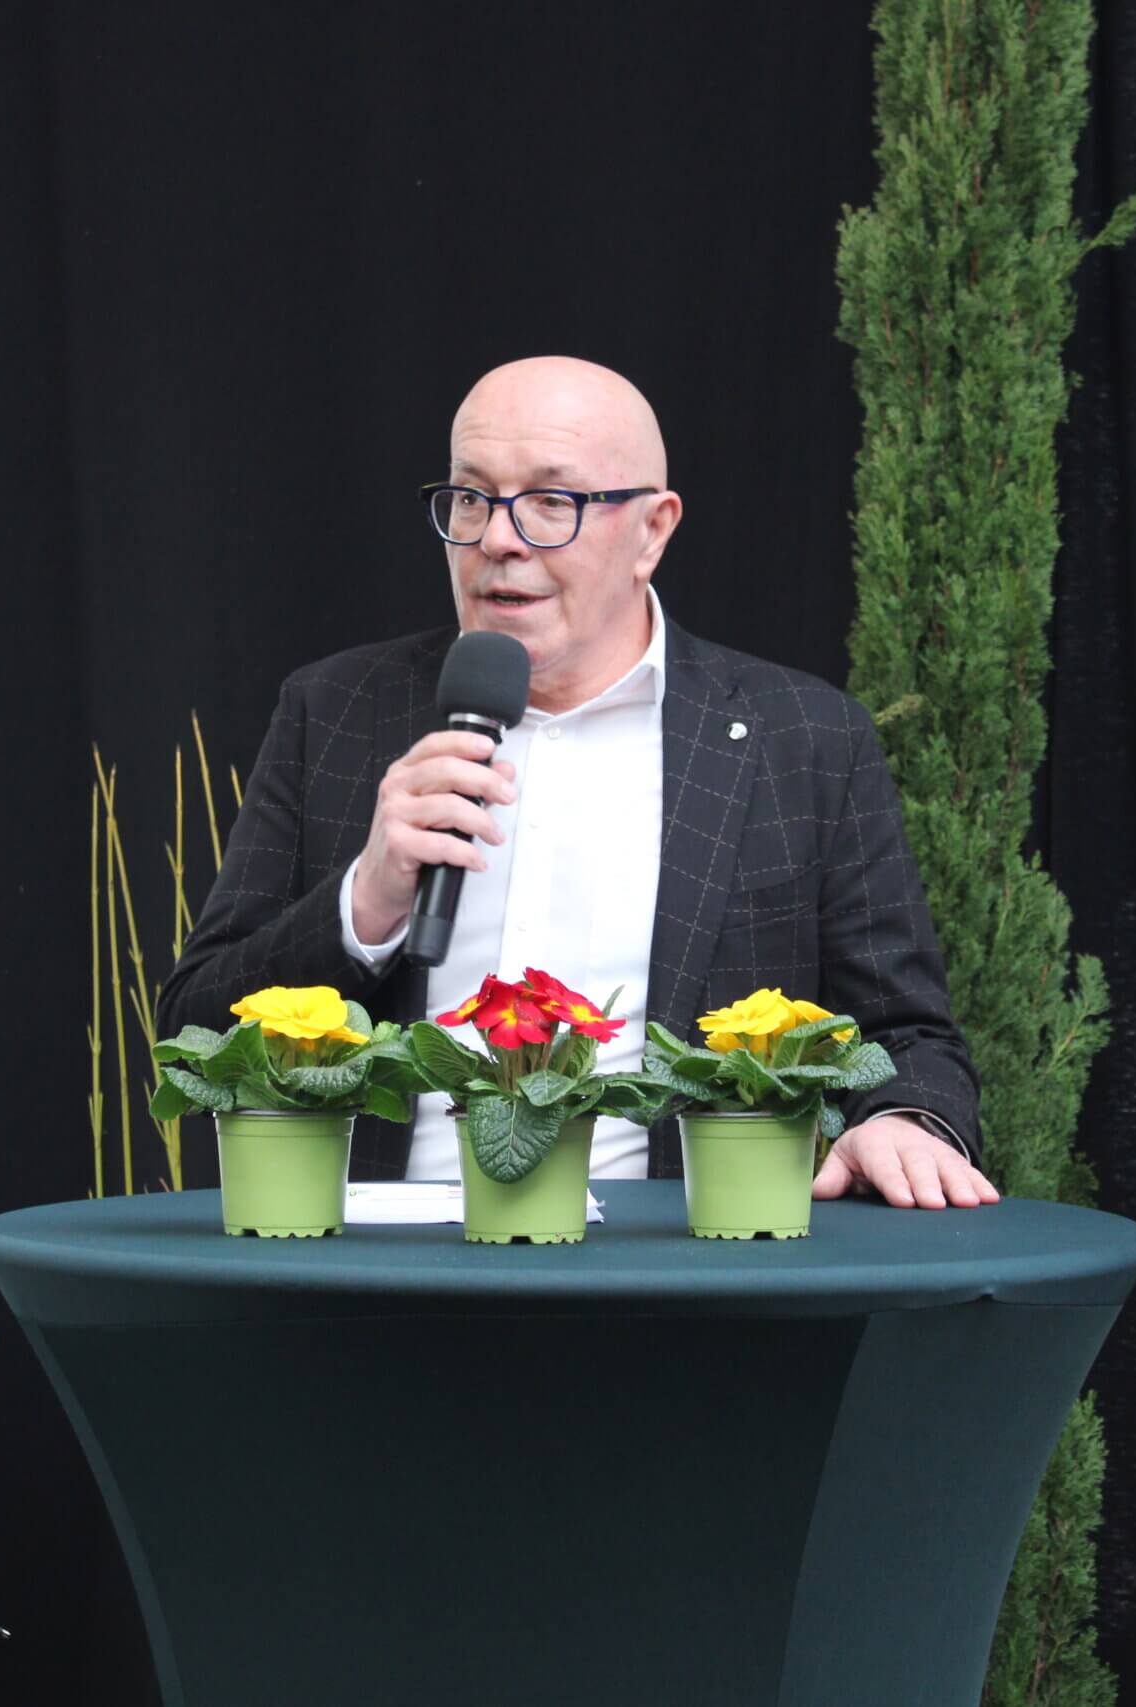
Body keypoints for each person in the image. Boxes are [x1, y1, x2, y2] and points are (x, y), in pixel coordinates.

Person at [157, 357, 994, 1209]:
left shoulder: (802, 739)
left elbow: (906, 1034)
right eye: (472, 499)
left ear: (652, 531)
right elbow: (194, 1033)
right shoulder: (338, 712)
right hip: (385, 1269)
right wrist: (363, 906)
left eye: (552, 502)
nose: (497, 540)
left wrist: (904, 1118)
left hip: (675, 1277)